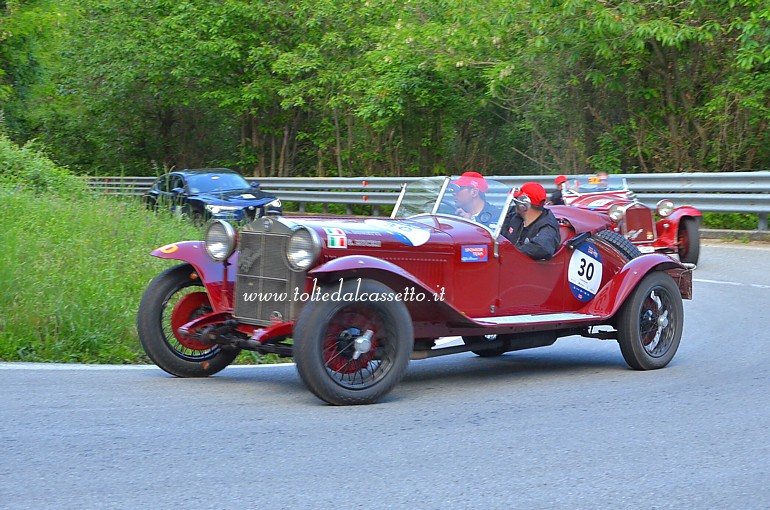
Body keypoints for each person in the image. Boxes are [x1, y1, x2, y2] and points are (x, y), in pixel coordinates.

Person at [502, 182, 561, 260]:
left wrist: (510, 254)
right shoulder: (514, 216)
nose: (515, 204)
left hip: (529, 269)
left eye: (517, 201)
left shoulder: (547, 227)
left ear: (523, 205)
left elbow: (541, 247)